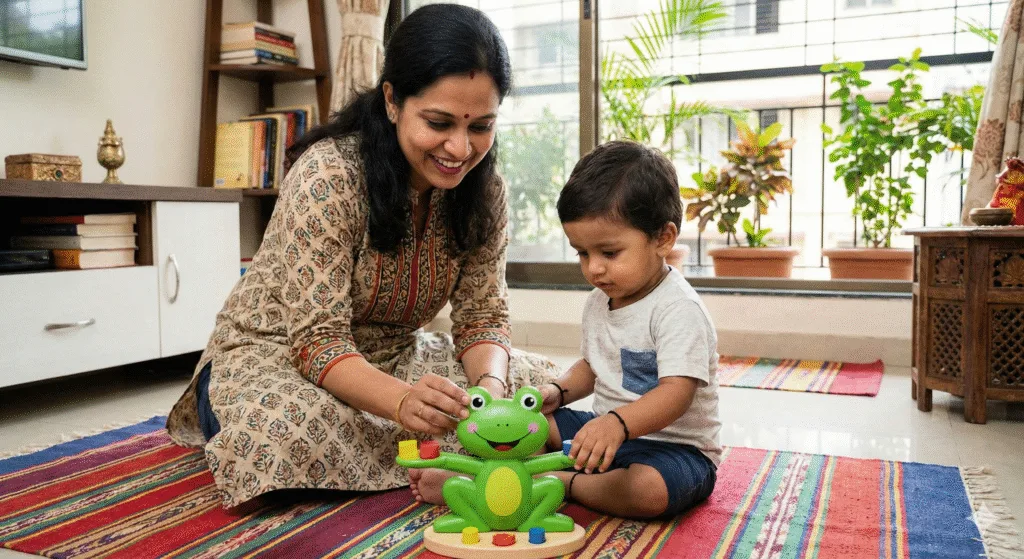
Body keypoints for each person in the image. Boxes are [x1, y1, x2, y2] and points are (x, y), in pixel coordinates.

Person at [166, 4, 559, 508]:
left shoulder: (485, 190)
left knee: (542, 388)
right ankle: (460, 456)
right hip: (278, 359)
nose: (461, 149)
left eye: (481, 126)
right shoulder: (329, 176)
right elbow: (317, 342)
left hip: (398, 356)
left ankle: (445, 449)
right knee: (275, 434)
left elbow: (482, 316)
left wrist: (490, 393)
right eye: (438, 122)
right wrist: (402, 402)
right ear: (392, 101)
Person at [538, 140, 721, 518]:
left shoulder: (678, 309)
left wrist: (618, 425)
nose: (594, 268)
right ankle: (545, 472)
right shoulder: (600, 298)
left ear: (662, 239)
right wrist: (558, 391)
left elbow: (677, 393)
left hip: (675, 451)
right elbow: (593, 365)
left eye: (609, 253)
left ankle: (560, 482)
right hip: (605, 431)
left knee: (647, 491)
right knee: (526, 426)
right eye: (582, 253)